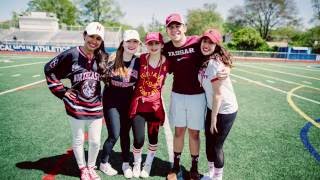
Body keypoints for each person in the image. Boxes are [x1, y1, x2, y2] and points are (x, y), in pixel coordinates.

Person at [44, 22, 106, 180]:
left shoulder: (101, 56)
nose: (94, 40)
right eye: (91, 36)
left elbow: (107, 78)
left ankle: (91, 167)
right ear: (84, 35)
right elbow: (48, 68)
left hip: (95, 105)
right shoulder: (72, 54)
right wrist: (62, 91)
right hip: (76, 106)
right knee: (78, 139)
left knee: (95, 142)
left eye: (98, 38)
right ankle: (82, 168)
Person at [163, 13, 206, 180]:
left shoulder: (197, 41)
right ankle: (175, 166)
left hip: (197, 96)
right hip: (178, 95)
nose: (175, 29)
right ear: (167, 30)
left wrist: (226, 68)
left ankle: (194, 168)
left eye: (177, 26)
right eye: (171, 27)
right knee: (179, 131)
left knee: (194, 133)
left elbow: (216, 50)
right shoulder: (166, 48)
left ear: (184, 27)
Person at [99, 29, 141, 179]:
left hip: (128, 100)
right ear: (123, 43)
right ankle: (103, 162)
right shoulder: (112, 58)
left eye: (135, 41)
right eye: (128, 41)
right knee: (114, 134)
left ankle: (125, 163)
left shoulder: (139, 62)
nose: (131, 44)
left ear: (138, 44)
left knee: (125, 134)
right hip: (111, 99)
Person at [198, 29, 238, 180]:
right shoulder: (204, 59)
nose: (206, 44)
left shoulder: (215, 64)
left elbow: (218, 95)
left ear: (217, 45)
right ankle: (210, 173)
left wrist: (213, 118)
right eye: (204, 41)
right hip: (212, 108)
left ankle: (217, 178)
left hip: (225, 110)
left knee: (216, 146)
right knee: (209, 143)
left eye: (210, 42)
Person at [129, 32, 169, 178]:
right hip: (139, 105)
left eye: (156, 43)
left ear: (161, 45)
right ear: (146, 45)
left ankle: (148, 165)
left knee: (153, 138)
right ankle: (137, 163)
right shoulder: (140, 59)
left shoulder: (167, 62)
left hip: (155, 107)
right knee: (138, 139)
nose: (153, 46)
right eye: (150, 43)